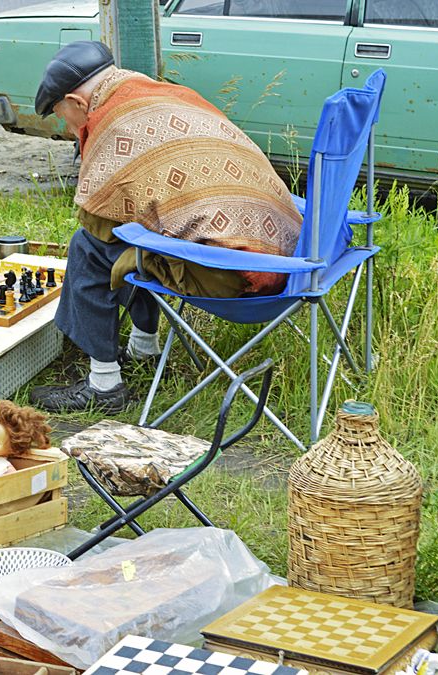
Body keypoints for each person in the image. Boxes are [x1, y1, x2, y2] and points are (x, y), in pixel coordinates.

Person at [29, 41, 302, 413]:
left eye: (62, 114)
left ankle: (103, 384)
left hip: (234, 273)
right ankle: (144, 348)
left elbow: (97, 222)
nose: (66, 125)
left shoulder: (114, 121)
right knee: (142, 233)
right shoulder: (164, 94)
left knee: (90, 246)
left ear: (78, 102)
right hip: (289, 259)